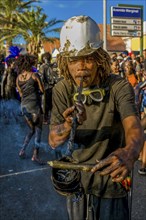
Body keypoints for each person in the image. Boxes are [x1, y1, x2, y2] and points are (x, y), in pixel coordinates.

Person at [48, 15, 144, 220]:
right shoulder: (62, 88)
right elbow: (54, 140)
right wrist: (67, 124)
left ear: (100, 58)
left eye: (88, 58)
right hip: (76, 181)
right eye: (74, 59)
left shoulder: (118, 86)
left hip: (111, 181)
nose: (81, 67)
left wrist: (130, 151)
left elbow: (134, 127)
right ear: (65, 61)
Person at [15, 54, 45, 165]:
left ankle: (22, 150)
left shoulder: (18, 78)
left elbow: (21, 94)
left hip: (24, 107)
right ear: (30, 63)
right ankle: (35, 155)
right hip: (34, 107)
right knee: (38, 130)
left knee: (31, 130)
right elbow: (42, 91)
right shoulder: (34, 75)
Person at [39, 52, 57, 124]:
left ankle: (46, 119)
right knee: (52, 103)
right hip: (53, 87)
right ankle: (51, 118)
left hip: (46, 87)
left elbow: (41, 78)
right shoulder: (53, 66)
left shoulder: (42, 67)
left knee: (45, 104)